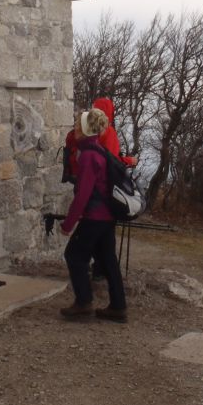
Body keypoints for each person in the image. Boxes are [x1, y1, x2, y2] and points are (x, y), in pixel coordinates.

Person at [59, 108, 128, 323]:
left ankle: (83, 302)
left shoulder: (88, 156)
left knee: (74, 255)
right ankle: (118, 307)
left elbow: (83, 195)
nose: (75, 129)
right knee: (108, 260)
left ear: (86, 129)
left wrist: (68, 224)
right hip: (107, 216)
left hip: (94, 217)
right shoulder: (99, 150)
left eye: (78, 126)